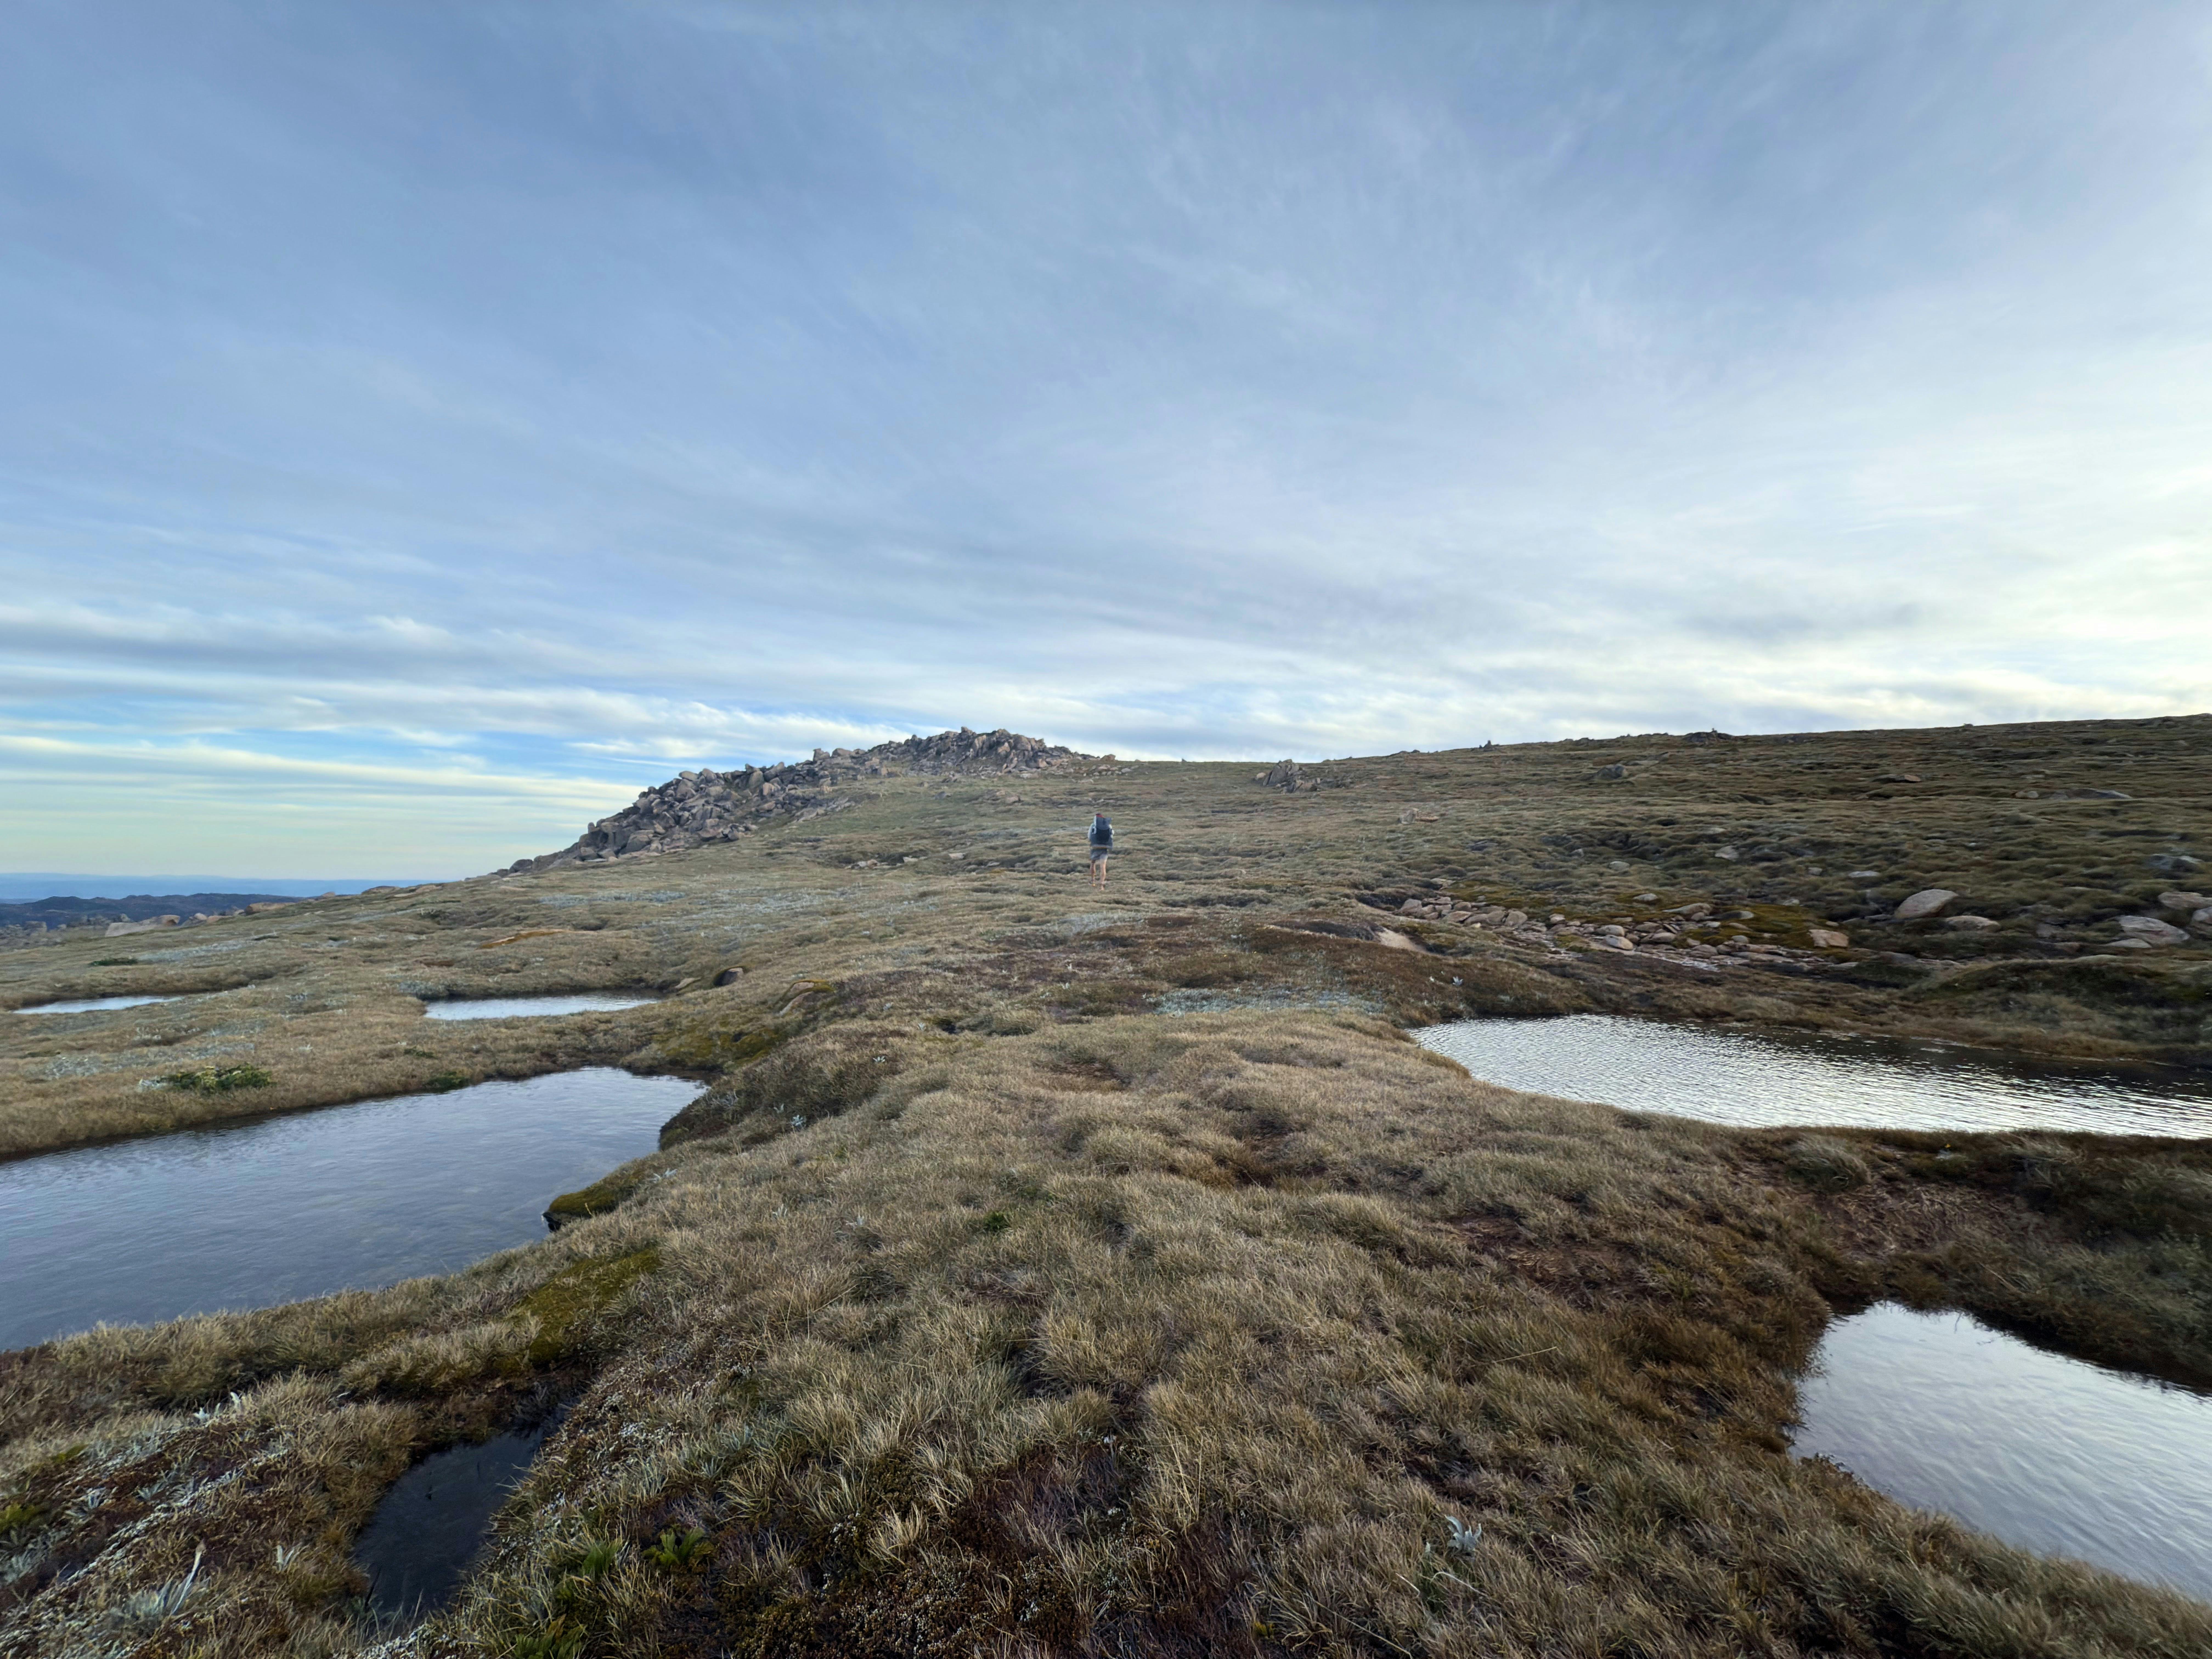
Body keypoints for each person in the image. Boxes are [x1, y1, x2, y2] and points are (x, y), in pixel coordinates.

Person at [1087, 811, 1113, 888]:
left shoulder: (1093, 825)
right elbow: (1112, 835)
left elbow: (1089, 836)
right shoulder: (1108, 825)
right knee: (1103, 866)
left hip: (1095, 847)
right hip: (1105, 848)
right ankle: (1101, 886)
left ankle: (1093, 881)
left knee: (1093, 863)